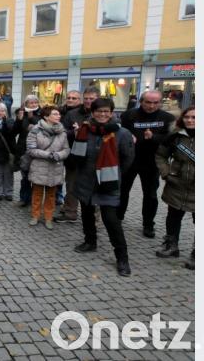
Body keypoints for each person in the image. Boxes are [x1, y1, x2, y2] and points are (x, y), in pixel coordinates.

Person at [71, 98, 135, 276]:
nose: (102, 114)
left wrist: (113, 174)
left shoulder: (122, 134)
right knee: (86, 212)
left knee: (111, 220)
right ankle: (90, 241)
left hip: (108, 182)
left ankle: (122, 258)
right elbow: (77, 155)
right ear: (92, 112)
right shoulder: (85, 130)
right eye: (99, 111)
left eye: (106, 111)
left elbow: (128, 159)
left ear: (112, 113)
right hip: (86, 180)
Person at [118, 90, 176, 238]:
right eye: (148, 102)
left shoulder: (167, 118)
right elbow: (122, 132)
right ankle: (118, 218)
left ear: (160, 102)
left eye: (155, 102)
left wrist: (154, 137)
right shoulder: (129, 115)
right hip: (130, 160)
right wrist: (127, 136)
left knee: (150, 195)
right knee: (122, 191)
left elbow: (171, 140)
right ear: (141, 101)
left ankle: (148, 224)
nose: (151, 106)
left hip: (152, 161)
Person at [154, 106, 195, 269]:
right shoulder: (175, 137)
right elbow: (160, 155)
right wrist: (166, 173)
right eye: (187, 117)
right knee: (173, 217)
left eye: (194, 117)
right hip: (176, 184)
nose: (190, 120)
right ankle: (171, 245)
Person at [55, 87, 99, 223]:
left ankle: (95, 216)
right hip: (74, 156)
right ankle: (70, 212)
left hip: (94, 157)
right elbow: (61, 131)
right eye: (86, 98)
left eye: (91, 99)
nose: (88, 101)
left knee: (93, 187)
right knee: (71, 185)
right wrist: (73, 133)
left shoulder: (101, 113)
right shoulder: (72, 114)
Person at [25, 106, 70, 230]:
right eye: (55, 114)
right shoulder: (35, 130)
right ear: (46, 116)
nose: (58, 116)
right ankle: (35, 216)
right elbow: (31, 150)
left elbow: (66, 149)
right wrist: (48, 155)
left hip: (55, 168)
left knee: (51, 195)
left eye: (59, 114)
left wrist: (58, 155)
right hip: (40, 167)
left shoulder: (62, 132)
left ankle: (48, 218)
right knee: (37, 194)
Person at [12, 95, 42, 206]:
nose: (34, 105)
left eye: (35, 102)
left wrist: (31, 118)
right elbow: (14, 132)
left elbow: (42, 127)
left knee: (35, 177)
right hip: (24, 149)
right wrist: (19, 120)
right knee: (24, 176)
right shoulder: (21, 114)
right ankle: (24, 199)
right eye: (31, 103)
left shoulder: (42, 113)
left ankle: (35, 201)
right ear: (26, 104)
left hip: (37, 149)